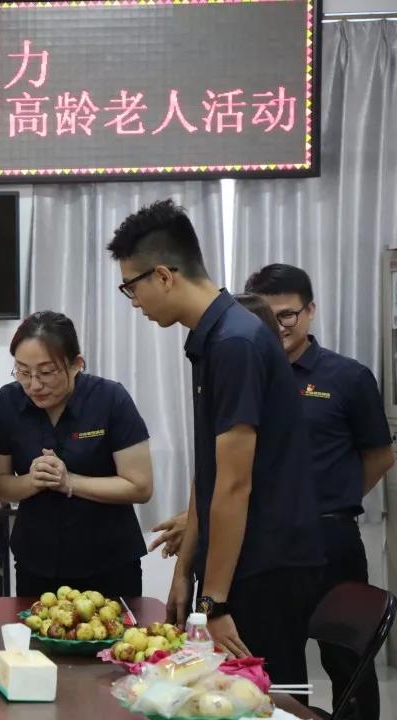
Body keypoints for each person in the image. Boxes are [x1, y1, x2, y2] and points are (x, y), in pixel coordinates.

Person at [107, 199, 323, 688]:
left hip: (266, 566)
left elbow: (234, 485)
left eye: (131, 287)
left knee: (262, 698)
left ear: (164, 276)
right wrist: (185, 570)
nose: (134, 302)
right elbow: (209, 470)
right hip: (239, 561)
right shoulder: (215, 338)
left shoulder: (235, 344)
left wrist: (216, 604)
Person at [245, 263, 392, 720]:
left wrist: (333, 499)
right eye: (266, 318)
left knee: (348, 661)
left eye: (287, 315)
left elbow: (380, 455)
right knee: (278, 665)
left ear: (311, 311)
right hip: (267, 545)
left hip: (332, 543)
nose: (278, 327)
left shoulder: (348, 376)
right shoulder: (246, 374)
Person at [0, 311, 153, 599]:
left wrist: (70, 482)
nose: (34, 385)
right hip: (36, 562)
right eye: (23, 372)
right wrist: (32, 481)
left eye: (46, 372)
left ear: (76, 364)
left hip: (109, 561)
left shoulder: (110, 399)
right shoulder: (8, 402)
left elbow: (140, 486)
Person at [146, 292, 280, 557]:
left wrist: (196, 521)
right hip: (222, 532)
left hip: (266, 543)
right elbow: (209, 471)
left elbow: (238, 485)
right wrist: (194, 522)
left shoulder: (273, 394)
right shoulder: (226, 384)